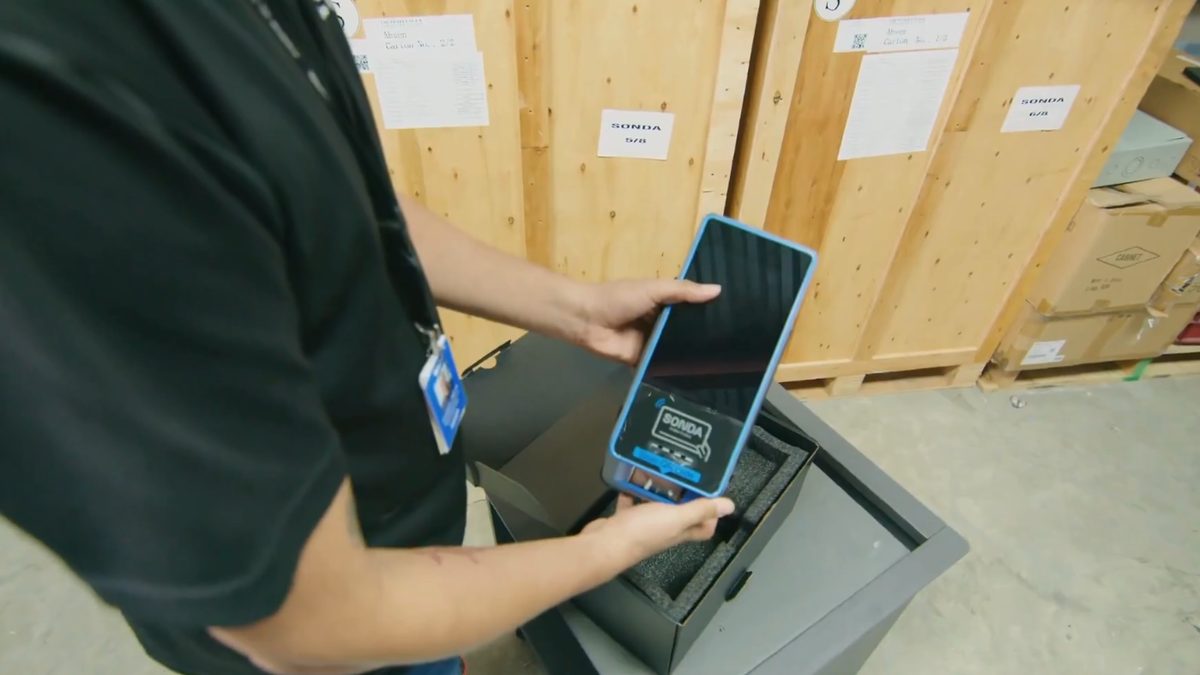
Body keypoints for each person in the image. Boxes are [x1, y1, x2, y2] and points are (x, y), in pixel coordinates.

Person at [0, 2, 734, 674]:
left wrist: (574, 307)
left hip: (409, 546)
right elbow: (314, 618)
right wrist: (604, 551)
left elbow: (337, 199)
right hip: (331, 631)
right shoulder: (64, 111)